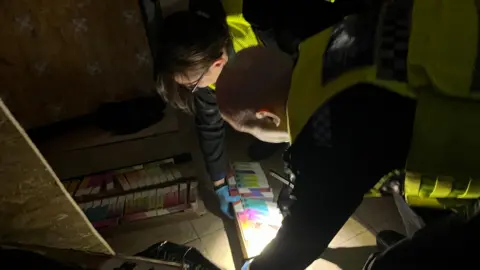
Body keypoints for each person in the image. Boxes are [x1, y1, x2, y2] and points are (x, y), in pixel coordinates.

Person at [215, 0, 480, 268]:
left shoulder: (327, 130)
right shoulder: (326, 40)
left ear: (266, 116)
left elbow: (303, 237)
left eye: (253, 132)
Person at [155, 0, 353, 218]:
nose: (194, 89)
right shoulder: (198, 53)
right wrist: (219, 180)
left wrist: (305, 175)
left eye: (191, 85)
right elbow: (209, 123)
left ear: (219, 63)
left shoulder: (284, 27)